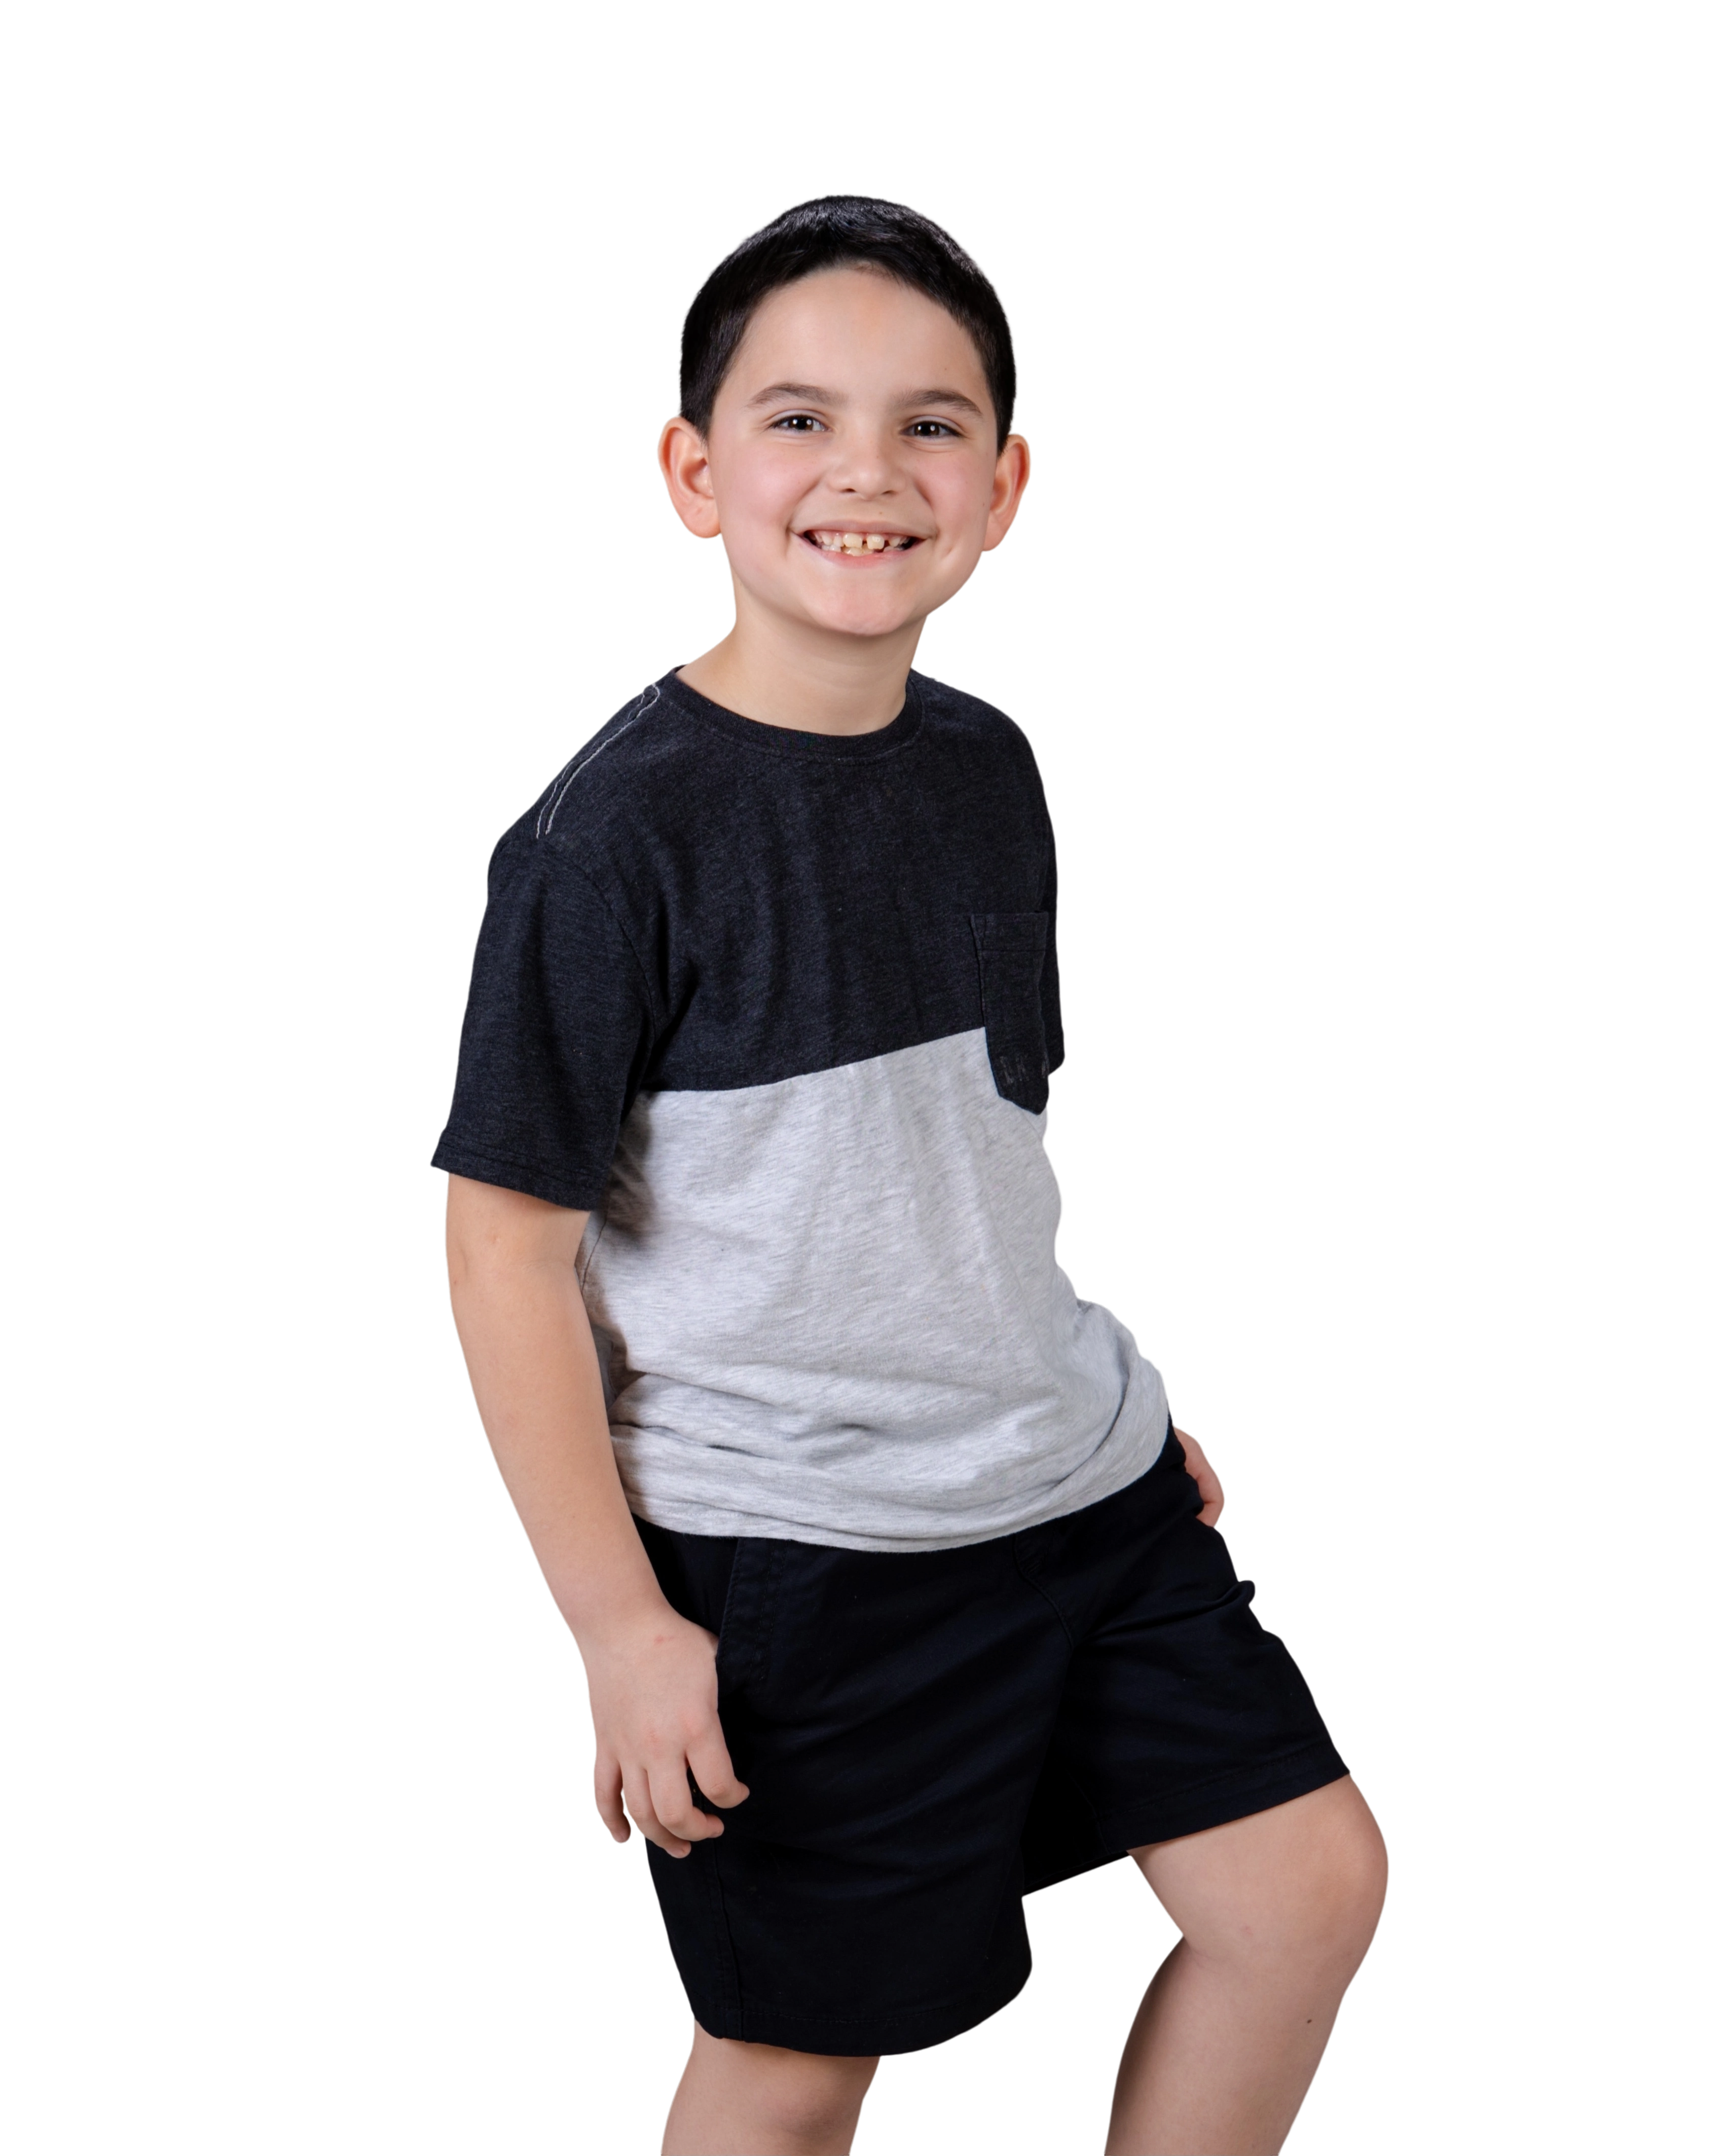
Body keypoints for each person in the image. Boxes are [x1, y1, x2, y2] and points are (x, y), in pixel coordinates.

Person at [427, 192, 1391, 2156]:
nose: (866, 471)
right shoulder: (604, 844)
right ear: (695, 474)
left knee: (1302, 1886)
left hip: (1071, 1486)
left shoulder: (987, 765)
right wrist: (621, 1629)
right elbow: (501, 1255)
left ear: (1003, 487)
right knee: (801, 2066)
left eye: (929, 424)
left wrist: (1089, 1390)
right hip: (803, 1551)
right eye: (799, 419)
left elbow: (965, 1151)